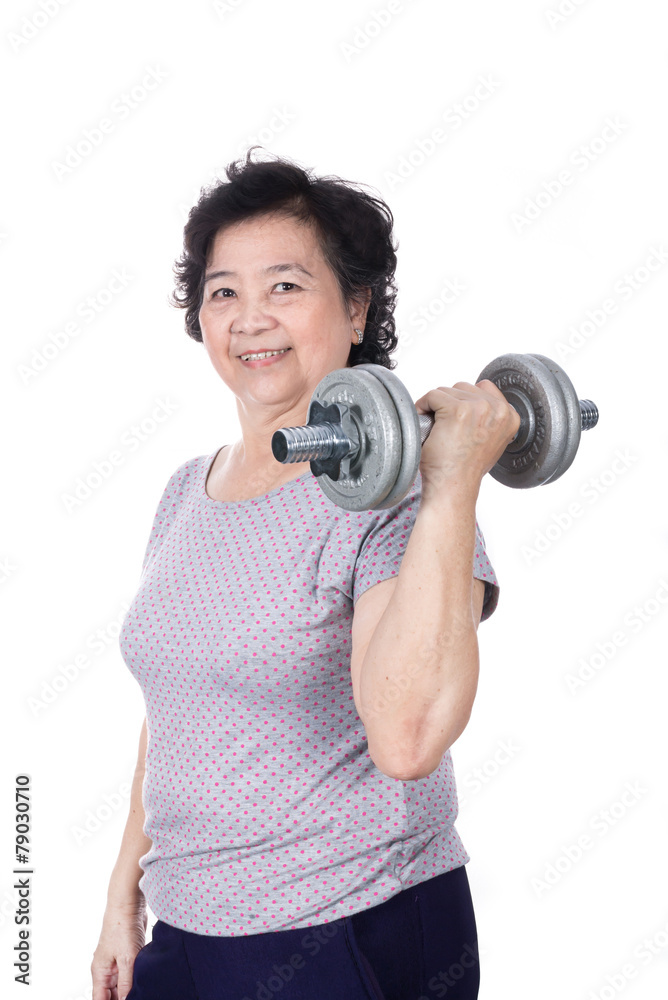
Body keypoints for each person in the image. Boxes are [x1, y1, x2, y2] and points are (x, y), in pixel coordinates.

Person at [90, 149, 520, 1000]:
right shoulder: (186, 489)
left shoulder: (401, 502)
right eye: (224, 292)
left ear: (357, 306)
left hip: (345, 931)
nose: (250, 319)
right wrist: (122, 893)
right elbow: (178, 712)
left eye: (284, 286)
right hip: (185, 931)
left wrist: (454, 483)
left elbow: (409, 736)